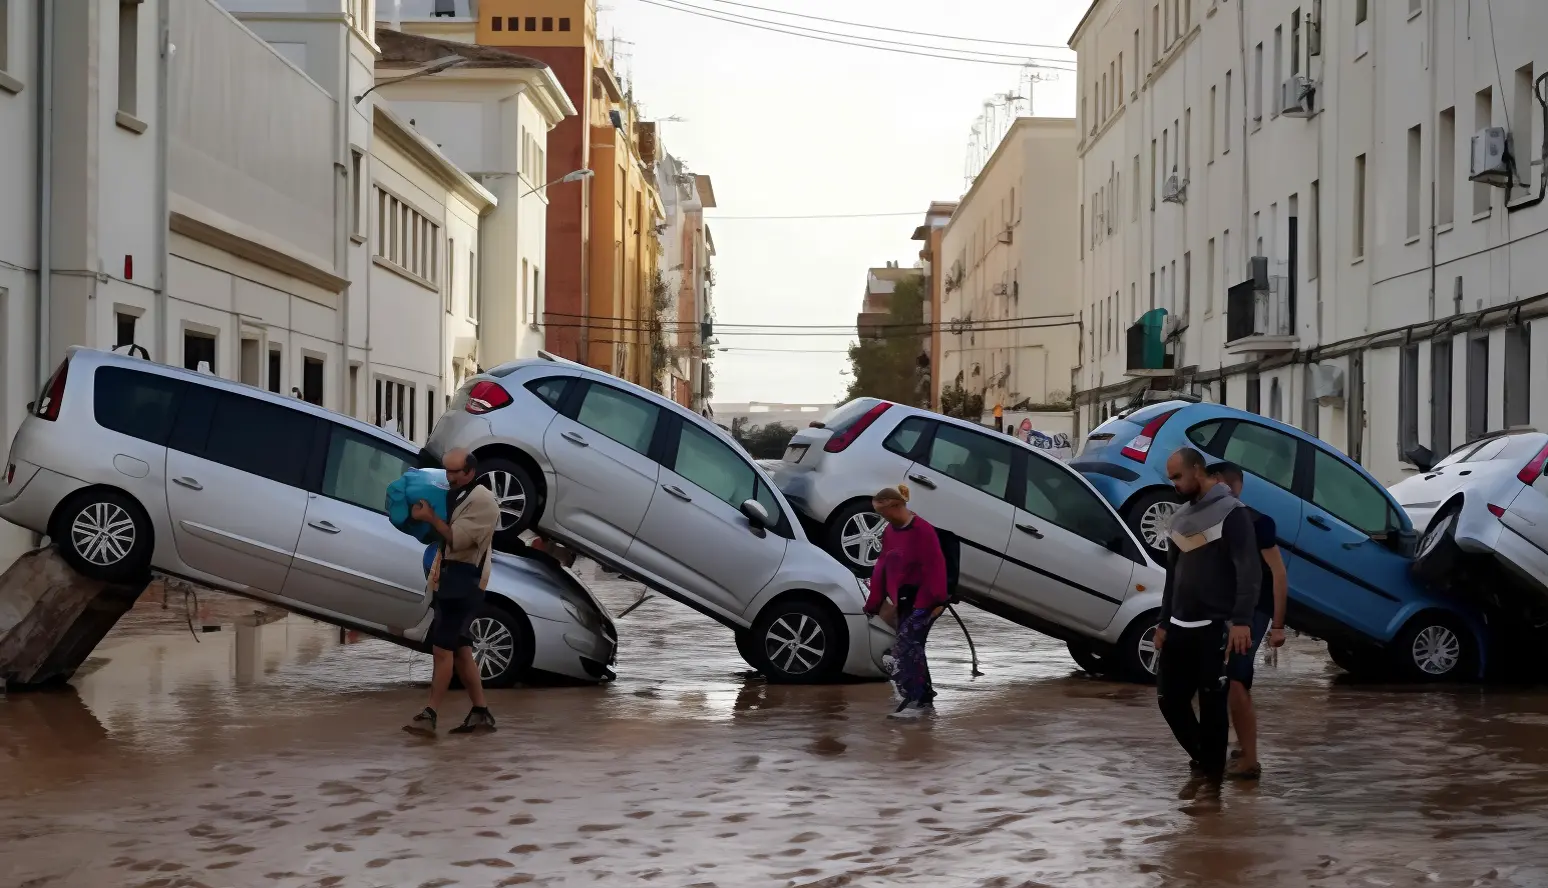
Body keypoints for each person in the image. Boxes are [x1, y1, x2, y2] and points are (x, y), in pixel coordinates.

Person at [1154, 448, 1260, 803]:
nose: (1173, 485)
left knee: (1214, 707)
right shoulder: (1181, 518)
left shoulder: (1233, 514)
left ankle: (1212, 788)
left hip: (1216, 627)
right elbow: (1172, 575)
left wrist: (1242, 621)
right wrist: (1163, 622)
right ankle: (1204, 760)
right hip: (1179, 627)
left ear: (1197, 471)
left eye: (1177, 477)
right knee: (1170, 700)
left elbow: (1249, 570)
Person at [404, 449, 500, 736]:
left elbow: (457, 540)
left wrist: (431, 519)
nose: (450, 477)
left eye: (455, 472)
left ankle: (429, 714)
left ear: (470, 471)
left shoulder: (484, 502)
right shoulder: (456, 494)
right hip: (449, 579)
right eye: (446, 471)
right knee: (460, 649)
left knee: (441, 649)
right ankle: (481, 713)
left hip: (465, 583)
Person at [1207, 462, 1288, 781]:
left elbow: (1279, 574)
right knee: (1228, 681)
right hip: (1222, 610)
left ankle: (1250, 762)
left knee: (1237, 678)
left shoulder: (1257, 522)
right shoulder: (1207, 519)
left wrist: (1278, 625)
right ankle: (1238, 746)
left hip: (1254, 610)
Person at [862, 485, 948, 719]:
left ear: (897, 505)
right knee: (914, 648)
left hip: (927, 599)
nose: (883, 518)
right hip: (904, 599)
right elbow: (881, 566)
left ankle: (917, 702)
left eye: (884, 512)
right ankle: (923, 698)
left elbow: (935, 567)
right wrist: (874, 602)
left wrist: (934, 603)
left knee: (905, 647)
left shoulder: (923, 530)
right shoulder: (890, 532)